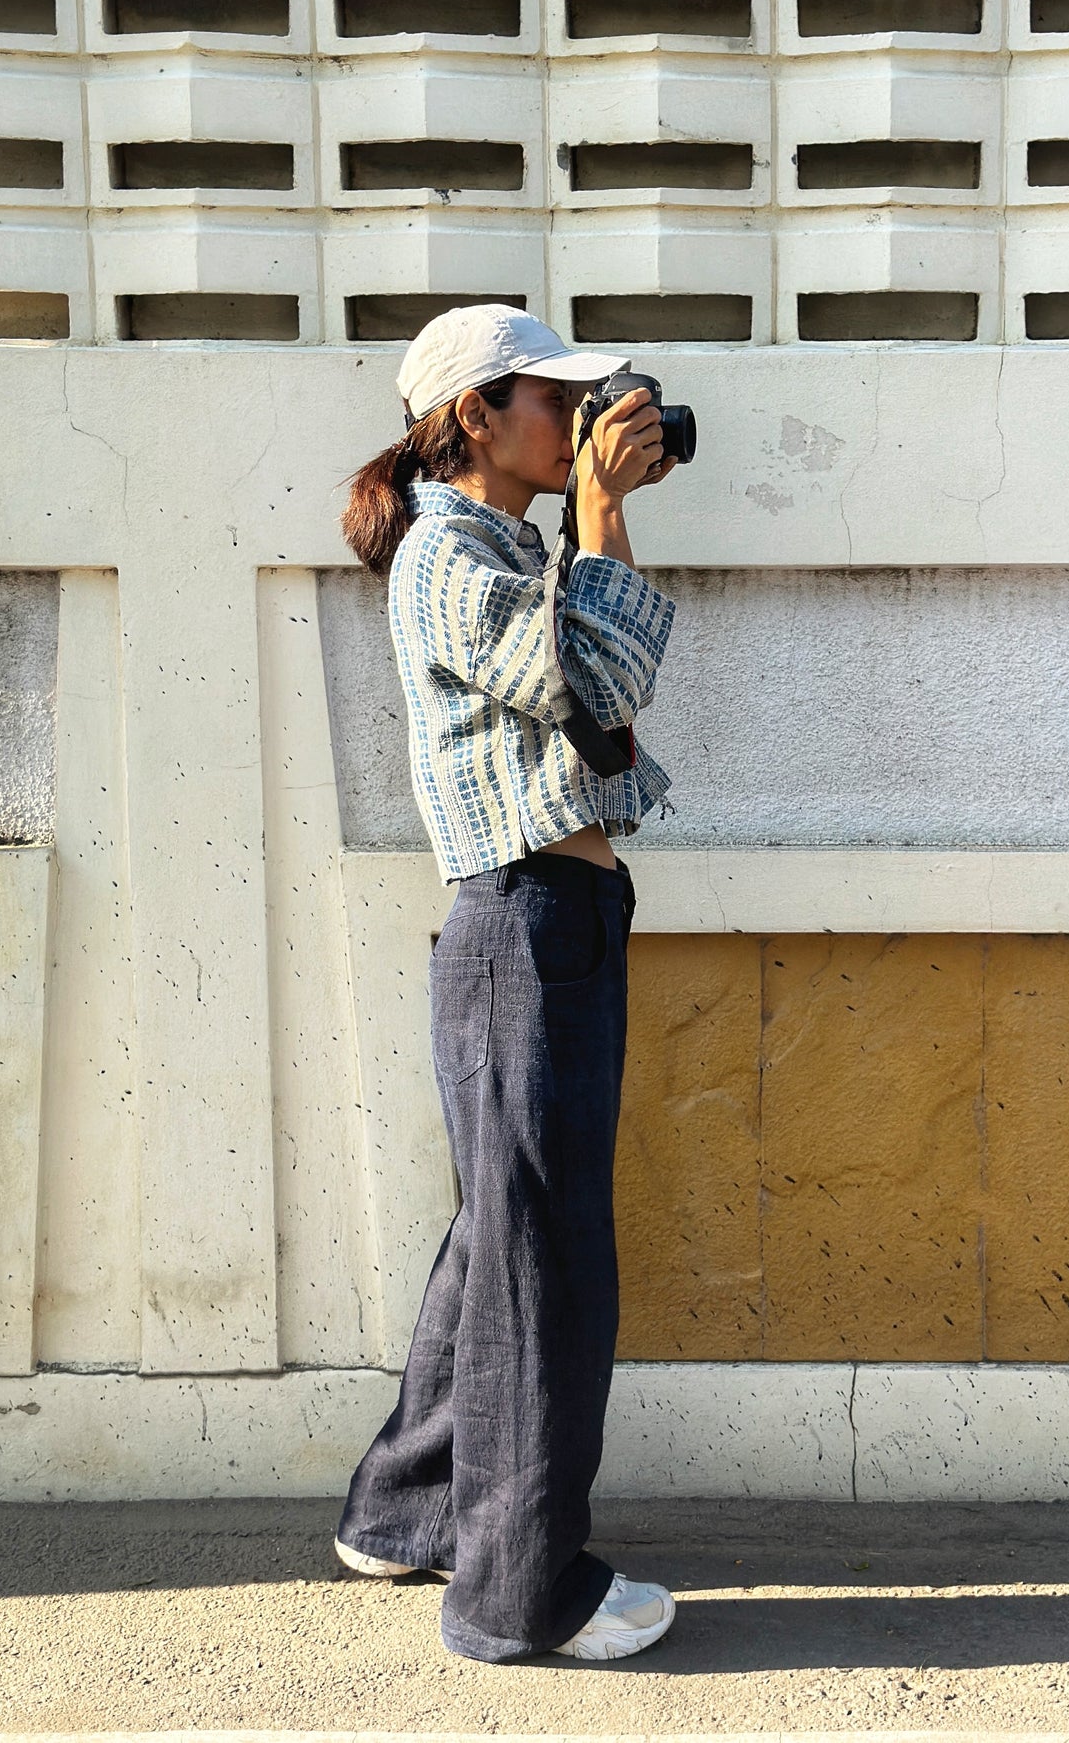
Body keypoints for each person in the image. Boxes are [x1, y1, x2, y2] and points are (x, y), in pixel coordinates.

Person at [332, 303, 680, 1663]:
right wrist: (601, 510)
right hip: (524, 921)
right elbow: (594, 673)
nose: (582, 426)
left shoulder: (498, 546)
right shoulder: (445, 555)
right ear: (476, 415)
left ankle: (406, 1512)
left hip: (554, 918)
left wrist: (593, 515)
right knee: (545, 1264)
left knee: (500, 1234)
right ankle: (518, 1594)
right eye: (558, 402)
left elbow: (608, 697)